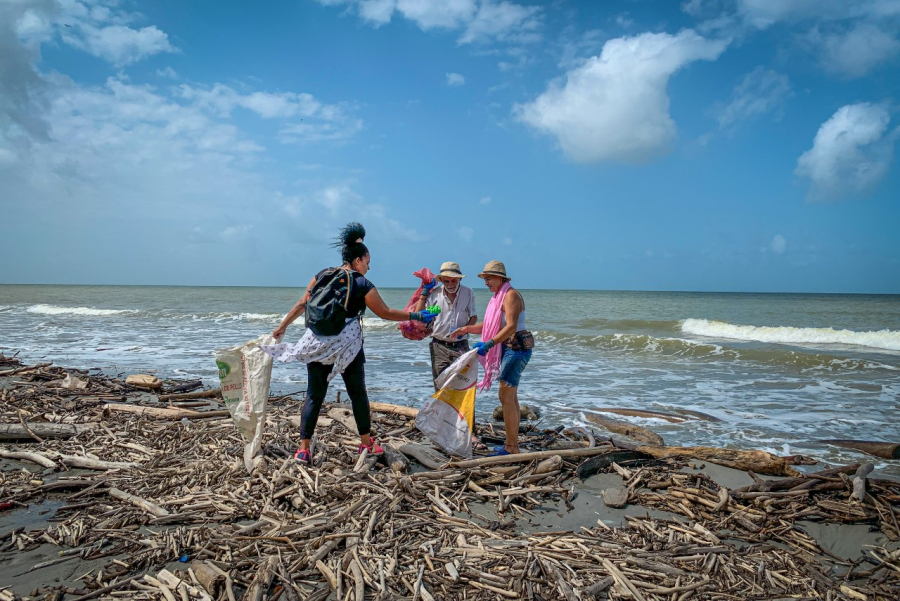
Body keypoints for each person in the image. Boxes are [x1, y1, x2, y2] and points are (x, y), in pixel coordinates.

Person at [268, 223, 437, 465]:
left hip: (316, 344)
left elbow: (301, 304)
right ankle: (366, 444)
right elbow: (386, 312)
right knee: (357, 393)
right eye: (367, 262)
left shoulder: (322, 275)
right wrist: (417, 316)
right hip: (347, 346)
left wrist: (282, 326)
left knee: (314, 395)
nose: (369, 266)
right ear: (357, 260)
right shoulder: (361, 283)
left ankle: (303, 449)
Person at [451, 261, 533, 456]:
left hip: (516, 349)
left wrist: (489, 344)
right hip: (507, 348)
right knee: (509, 397)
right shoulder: (498, 297)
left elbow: (511, 327)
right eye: (485, 279)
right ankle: (511, 444)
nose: (486, 282)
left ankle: (512, 447)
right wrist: (467, 329)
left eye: (488, 278)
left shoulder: (511, 295)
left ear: (499, 278)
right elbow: (491, 325)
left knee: (506, 396)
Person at [413, 261, 478, 390]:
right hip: (439, 346)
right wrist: (424, 294)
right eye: (446, 281)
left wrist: (464, 330)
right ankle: (441, 411)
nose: (450, 284)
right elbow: (419, 316)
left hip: (461, 345)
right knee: (441, 386)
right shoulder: (435, 294)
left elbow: (473, 317)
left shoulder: (467, 292)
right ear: (441, 280)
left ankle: (461, 411)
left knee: (462, 387)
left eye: (453, 281)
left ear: (459, 279)